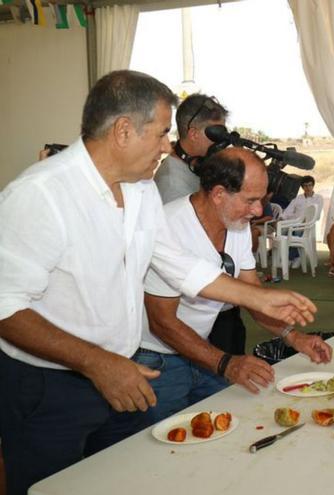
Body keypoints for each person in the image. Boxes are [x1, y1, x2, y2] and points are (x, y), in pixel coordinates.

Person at [0, 70, 316, 495]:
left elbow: (177, 265)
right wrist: (97, 363)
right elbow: (4, 307)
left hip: (122, 371)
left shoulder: (141, 190)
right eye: (162, 132)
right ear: (123, 131)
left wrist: (262, 300)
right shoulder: (41, 195)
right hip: (50, 384)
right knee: (47, 487)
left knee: (124, 480)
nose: (169, 146)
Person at [135, 147, 332, 426]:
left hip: (202, 351)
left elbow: (253, 297)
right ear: (218, 194)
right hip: (157, 361)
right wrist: (225, 363)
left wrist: (293, 337)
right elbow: (162, 323)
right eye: (251, 200)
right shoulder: (168, 227)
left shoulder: (237, 226)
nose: (259, 210)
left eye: (261, 199)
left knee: (236, 425)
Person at [154, 94, 228, 203]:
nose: (220, 142)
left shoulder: (196, 166)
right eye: (216, 135)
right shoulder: (173, 187)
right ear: (194, 134)